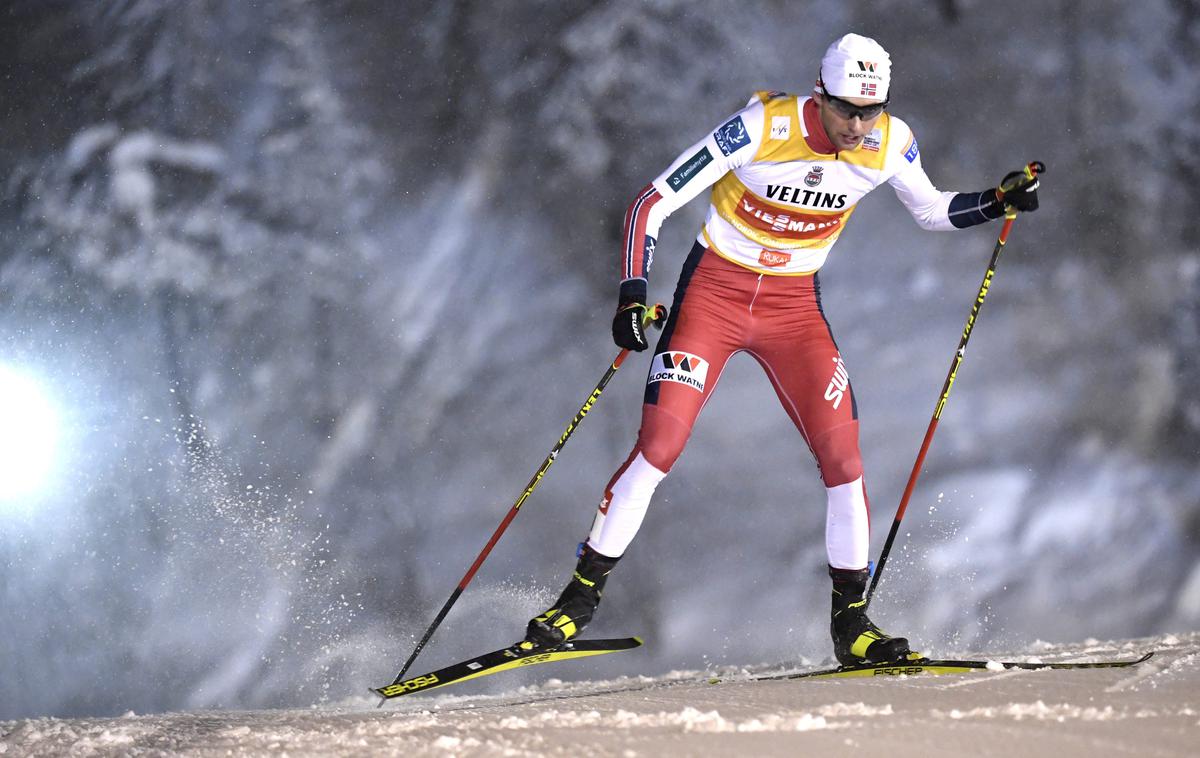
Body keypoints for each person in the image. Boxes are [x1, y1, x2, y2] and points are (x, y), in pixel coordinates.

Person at [521, 33, 1040, 665]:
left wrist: (997, 201)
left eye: (870, 112)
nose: (857, 125)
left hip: (793, 311)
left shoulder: (889, 143)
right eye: (847, 108)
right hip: (712, 296)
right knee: (660, 446)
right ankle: (576, 602)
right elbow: (649, 203)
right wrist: (633, 293)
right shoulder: (760, 127)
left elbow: (930, 210)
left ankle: (853, 626)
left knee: (844, 458)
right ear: (820, 93)